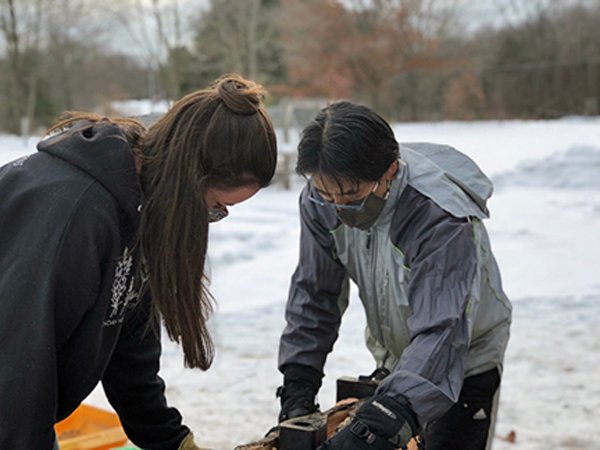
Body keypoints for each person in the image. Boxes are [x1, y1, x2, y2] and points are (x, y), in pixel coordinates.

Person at [0, 74, 277, 449]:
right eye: (214, 209)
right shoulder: (78, 214)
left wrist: (171, 441)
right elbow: (17, 371)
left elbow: (128, 345)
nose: (207, 223)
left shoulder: (139, 209)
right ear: (188, 178)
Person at [276, 101, 512, 450]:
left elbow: (442, 329)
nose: (339, 207)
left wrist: (388, 414)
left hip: (464, 361)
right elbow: (315, 293)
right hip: (396, 357)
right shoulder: (319, 199)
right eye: (327, 195)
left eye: (351, 195)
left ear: (390, 170)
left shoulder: (436, 214)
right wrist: (299, 379)